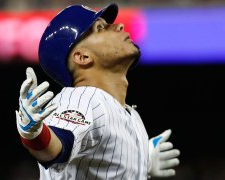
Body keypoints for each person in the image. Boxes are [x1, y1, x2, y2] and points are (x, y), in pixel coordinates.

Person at [15, 2, 180, 179]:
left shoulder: (130, 114)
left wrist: (140, 161)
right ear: (83, 57)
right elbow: (55, 149)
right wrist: (34, 134)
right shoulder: (84, 98)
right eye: (101, 28)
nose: (119, 25)